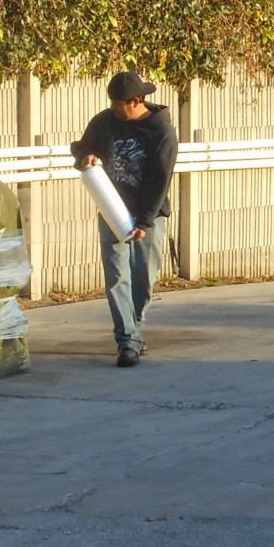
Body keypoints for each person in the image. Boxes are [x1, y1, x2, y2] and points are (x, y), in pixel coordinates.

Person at [71, 71, 178, 367]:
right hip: (112, 210)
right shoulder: (104, 121)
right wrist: (85, 157)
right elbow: (81, 147)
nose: (115, 109)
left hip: (149, 216)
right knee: (117, 278)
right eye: (113, 103)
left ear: (137, 101)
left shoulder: (162, 132)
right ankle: (127, 341)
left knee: (143, 280)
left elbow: (160, 179)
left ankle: (135, 330)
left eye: (120, 104)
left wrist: (144, 221)